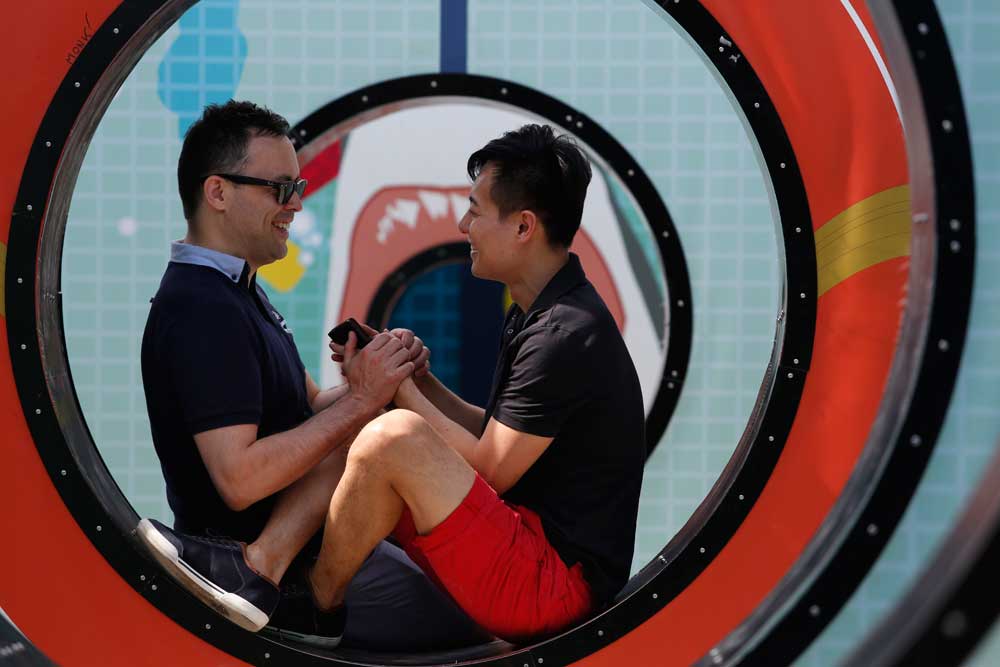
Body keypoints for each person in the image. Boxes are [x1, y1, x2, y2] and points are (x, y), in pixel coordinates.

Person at [136, 100, 486, 650]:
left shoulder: (238, 294)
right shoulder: (202, 308)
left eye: (296, 188)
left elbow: (307, 417)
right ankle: (257, 570)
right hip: (292, 579)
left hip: (321, 556)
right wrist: (361, 400)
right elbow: (240, 480)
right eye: (280, 189)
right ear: (218, 193)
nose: (295, 206)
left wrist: (380, 378)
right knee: (474, 632)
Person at [311, 123, 647, 642]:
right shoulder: (542, 310)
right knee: (366, 424)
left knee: (389, 436)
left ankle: (315, 607)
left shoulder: (563, 332)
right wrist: (415, 378)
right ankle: (280, 573)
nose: (463, 223)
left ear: (523, 227)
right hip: (527, 553)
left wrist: (396, 392)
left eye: (476, 209)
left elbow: (491, 469)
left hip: (551, 587)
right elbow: (493, 437)